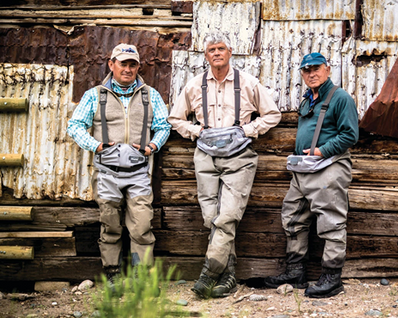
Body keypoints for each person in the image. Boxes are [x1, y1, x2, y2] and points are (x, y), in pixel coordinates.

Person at [168, 31, 281, 299]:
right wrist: (195, 131)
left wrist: (248, 130)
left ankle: (208, 274)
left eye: (221, 49)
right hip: (205, 156)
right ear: (206, 56)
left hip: (239, 156)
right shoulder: (194, 85)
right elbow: (175, 118)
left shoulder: (248, 83)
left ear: (230, 52)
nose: (216, 53)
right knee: (212, 219)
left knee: (228, 215)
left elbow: (272, 114)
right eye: (211, 50)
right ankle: (228, 275)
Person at [67, 43, 171, 282]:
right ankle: (112, 274)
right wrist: (96, 146)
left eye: (132, 64)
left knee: (142, 227)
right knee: (110, 226)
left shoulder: (150, 95)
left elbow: (164, 126)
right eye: (123, 63)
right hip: (107, 174)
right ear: (111, 64)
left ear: (137, 67)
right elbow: (75, 125)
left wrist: (151, 146)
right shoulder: (94, 95)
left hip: (139, 174)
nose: (128, 69)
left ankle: (142, 278)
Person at [264, 53, 359, 298]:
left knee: (331, 221)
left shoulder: (340, 97)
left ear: (327, 69)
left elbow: (350, 136)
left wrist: (321, 150)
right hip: (303, 169)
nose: (311, 74)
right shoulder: (309, 99)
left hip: (329, 167)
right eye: (306, 70)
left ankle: (332, 278)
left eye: (316, 68)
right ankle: (296, 272)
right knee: (292, 217)